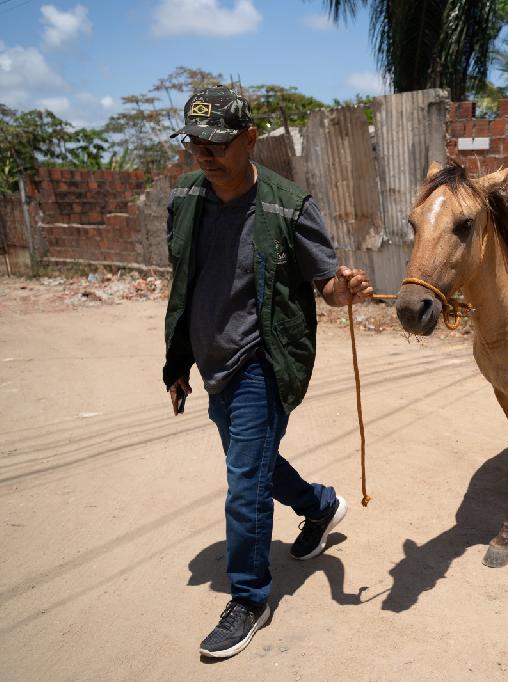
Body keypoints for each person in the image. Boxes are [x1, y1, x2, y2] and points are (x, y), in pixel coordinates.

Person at [162, 85, 373, 659]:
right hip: (213, 359)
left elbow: (326, 285)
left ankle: (249, 598)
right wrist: (178, 361)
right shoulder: (186, 199)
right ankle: (320, 505)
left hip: (263, 360)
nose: (205, 154)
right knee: (254, 466)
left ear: (250, 139)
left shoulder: (288, 206)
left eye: (217, 143)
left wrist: (344, 291)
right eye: (196, 143)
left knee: (243, 484)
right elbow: (185, 285)